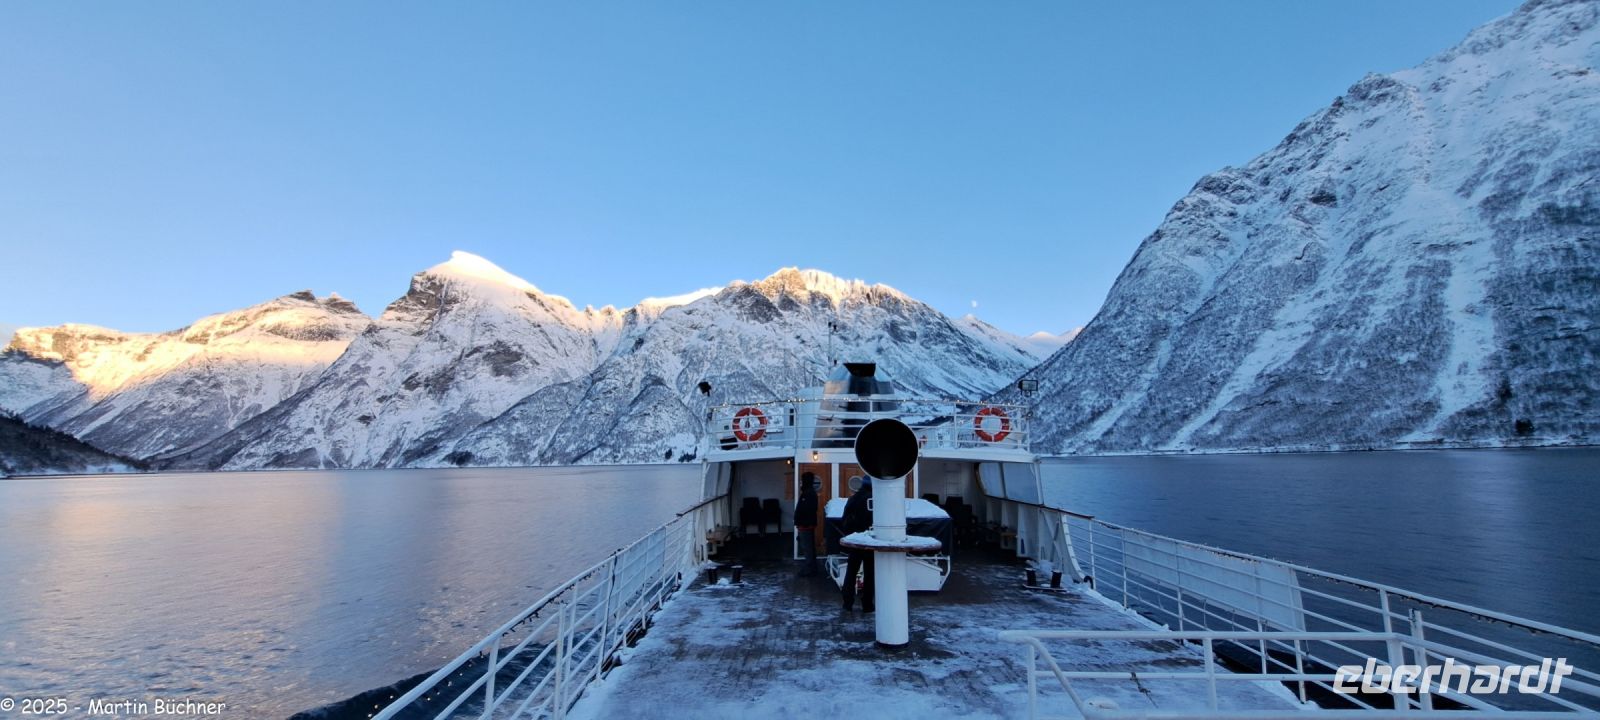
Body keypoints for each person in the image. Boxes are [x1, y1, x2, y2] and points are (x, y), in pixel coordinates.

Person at [841, 476, 875, 612]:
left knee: (851, 572)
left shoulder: (853, 499)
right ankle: (867, 604)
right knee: (870, 573)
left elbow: (844, 519)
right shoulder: (874, 499)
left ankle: (847, 603)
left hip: (855, 541)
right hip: (871, 541)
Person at [794, 473, 820, 577]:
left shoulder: (808, 493)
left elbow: (807, 510)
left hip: (806, 525)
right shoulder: (809, 492)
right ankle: (812, 567)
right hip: (806, 524)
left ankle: (809, 569)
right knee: (809, 547)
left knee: (807, 547)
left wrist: (801, 522)